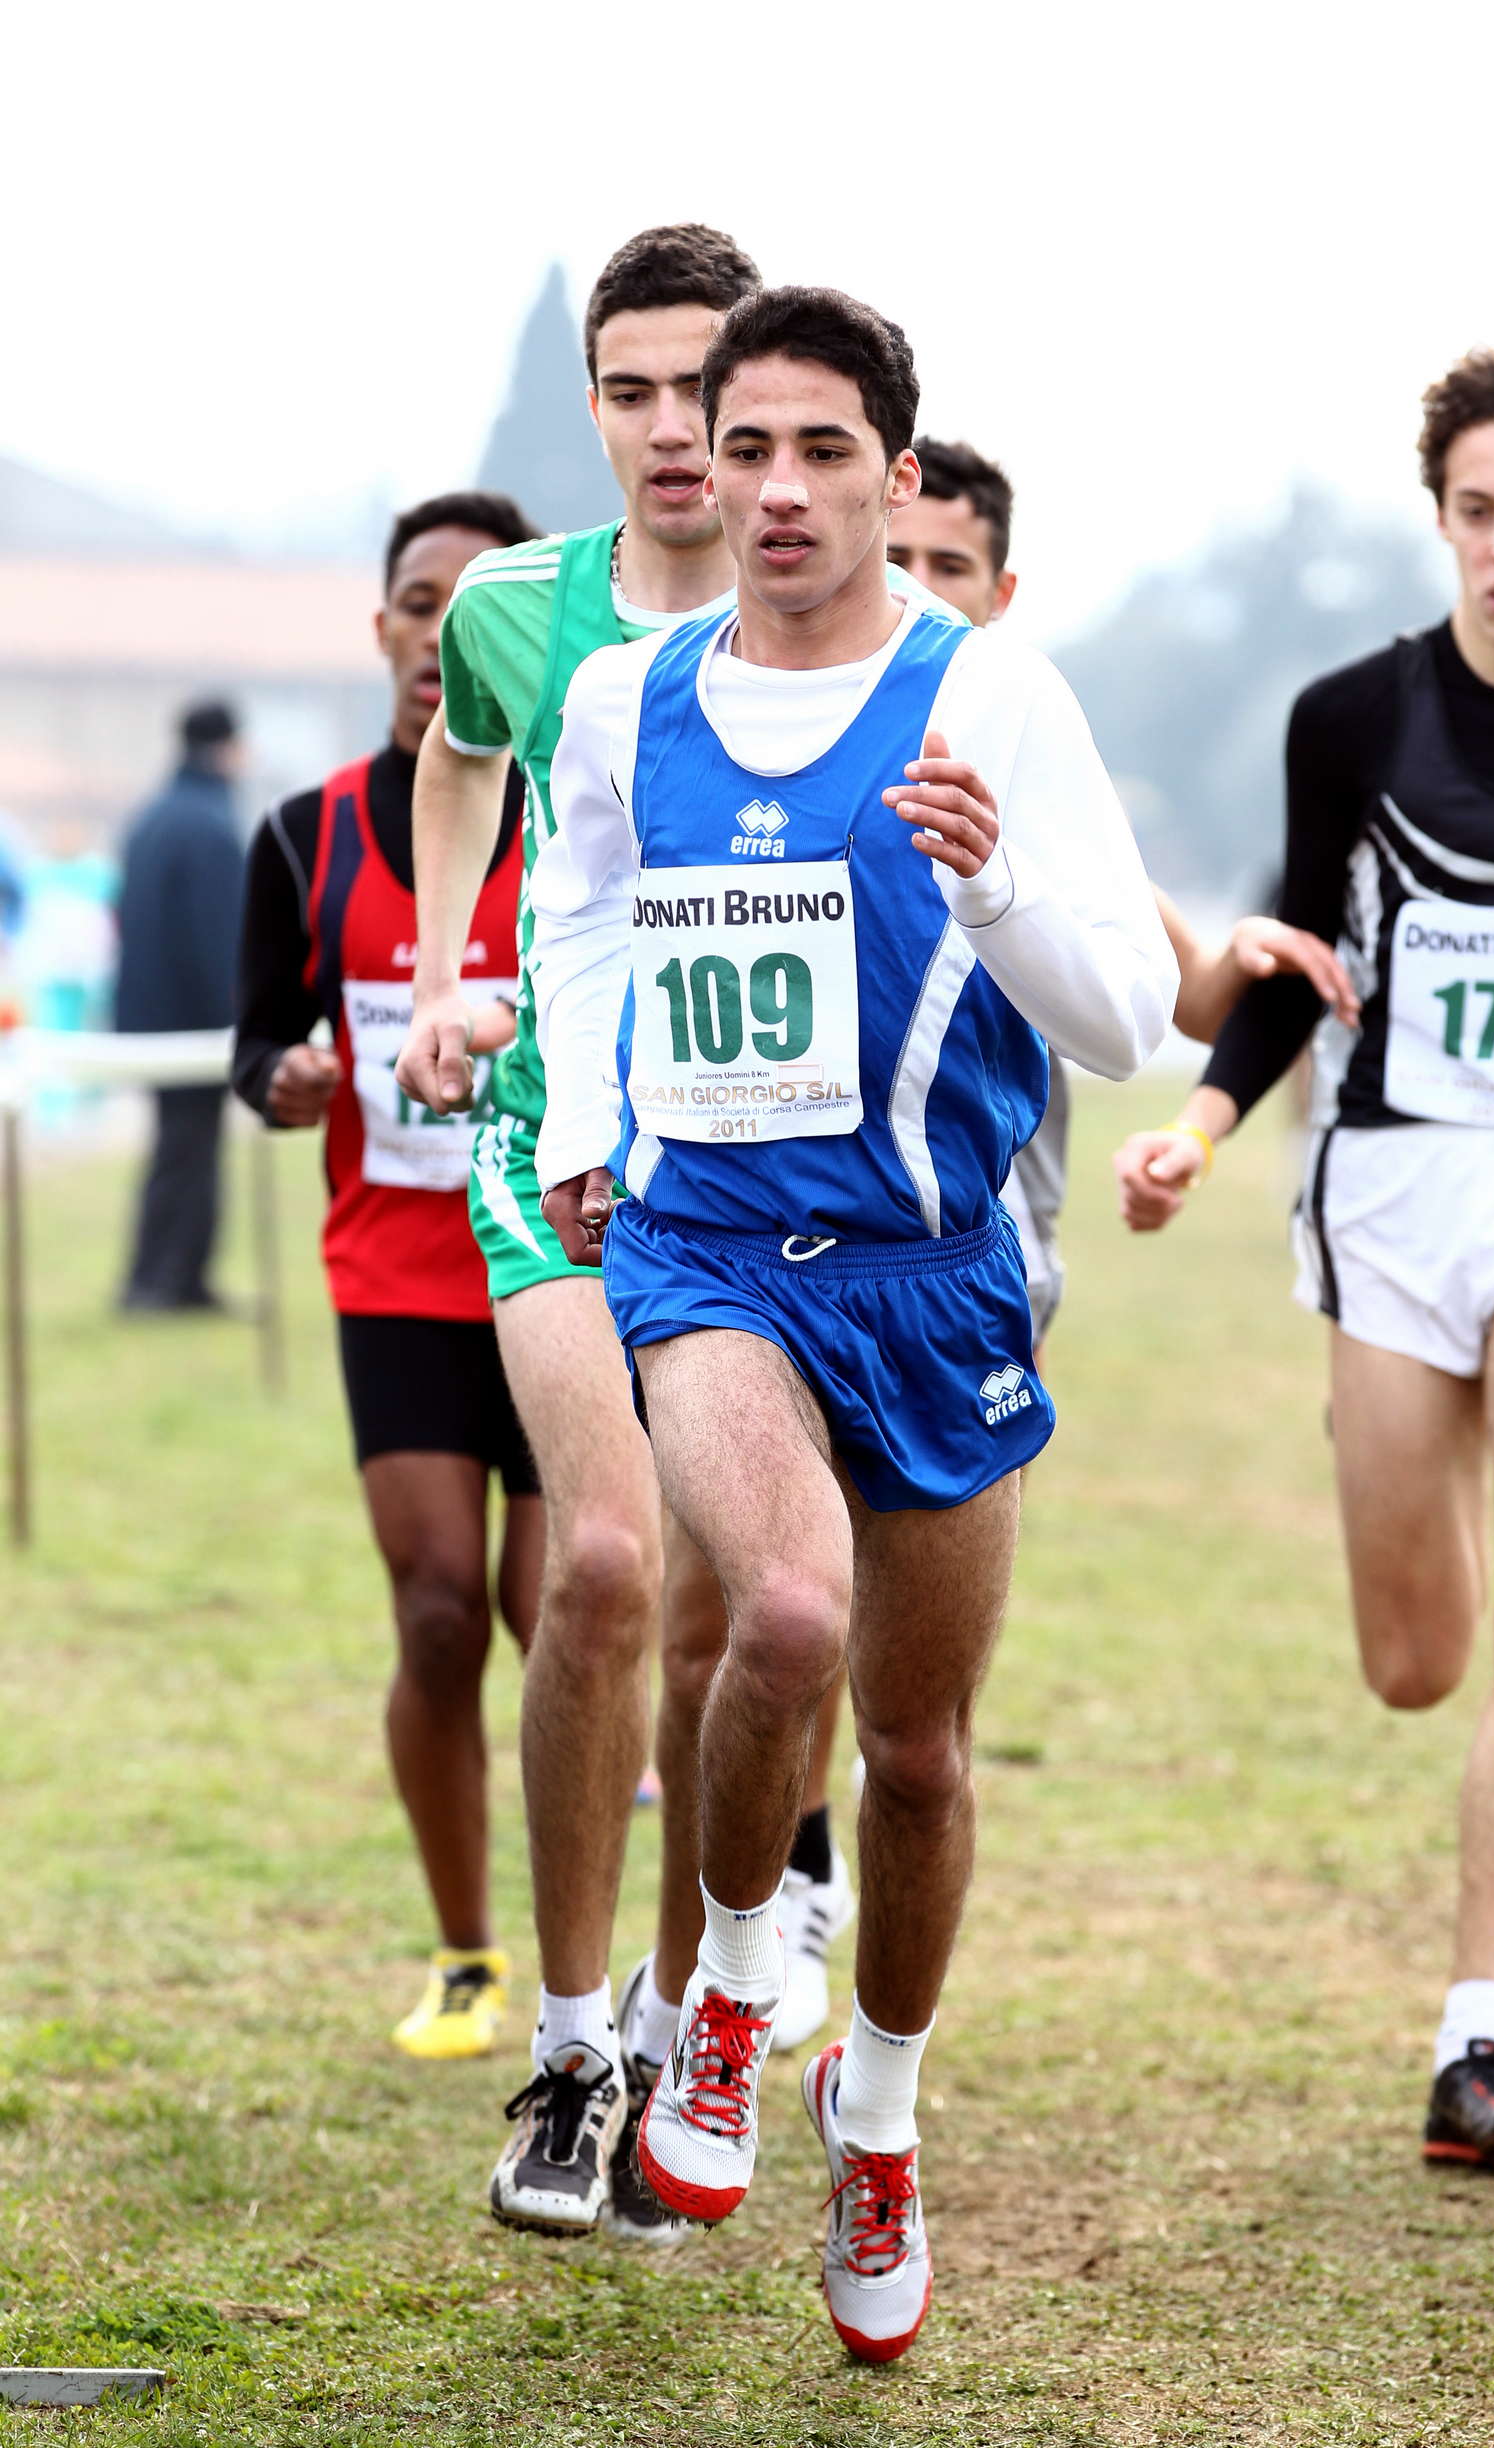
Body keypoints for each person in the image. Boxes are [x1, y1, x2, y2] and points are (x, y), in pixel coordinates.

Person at [534, 285, 1177, 2360]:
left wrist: (993, 892)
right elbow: (583, 906)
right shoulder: (627, 697)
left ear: (895, 476)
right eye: (749, 448)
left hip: (937, 1271)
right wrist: (582, 1114)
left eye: (826, 451)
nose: (782, 489)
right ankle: (729, 1988)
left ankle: (875, 2113)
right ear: (701, 468)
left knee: (914, 1750)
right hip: (708, 1250)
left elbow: (1131, 1020)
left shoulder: (991, 692)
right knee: (785, 1611)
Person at [1114, 350, 1494, 2175]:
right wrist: (1197, 1129)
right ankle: (1404, 1448)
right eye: (1478, 512)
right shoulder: (1352, 716)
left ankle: (1476, 2044)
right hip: (1392, 1197)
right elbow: (1291, 952)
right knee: (1416, 1661)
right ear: (1441, 521)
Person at [394, 226, 772, 2247]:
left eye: (701, 388)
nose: (668, 428)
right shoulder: (517, 610)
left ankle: (687, 2014)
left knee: (732, 1622)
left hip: (755, 1175)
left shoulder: (832, 627)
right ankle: (566, 2055)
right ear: (595, 407)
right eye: (628, 390)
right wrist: (446, 970)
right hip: (553, 1141)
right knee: (607, 1565)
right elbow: (459, 760)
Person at [232, 491, 541, 2060]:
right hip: (399, 1276)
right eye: (423, 602)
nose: (444, 634)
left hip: (564, 1265)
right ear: (383, 628)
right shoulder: (308, 833)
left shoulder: (584, 811)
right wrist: (285, 1077)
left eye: (479, 605)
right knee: (435, 1615)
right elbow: (256, 1039)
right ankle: (467, 1954)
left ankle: (634, 1966)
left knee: (566, 1612)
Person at [889, 437, 1357, 1356]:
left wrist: (1241, 952)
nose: (921, 587)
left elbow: (1188, 1002)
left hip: (995, 1241)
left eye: (951, 564)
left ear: (1001, 593)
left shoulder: (1038, 799)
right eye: (898, 558)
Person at [115, 699, 247, 1312]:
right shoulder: (210, 825)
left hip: (149, 1018)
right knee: (188, 1153)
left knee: (179, 1149)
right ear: (228, 747)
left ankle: (173, 1276)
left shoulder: (153, 816)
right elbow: (218, 939)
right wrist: (237, 1017)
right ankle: (163, 1281)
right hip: (193, 1024)